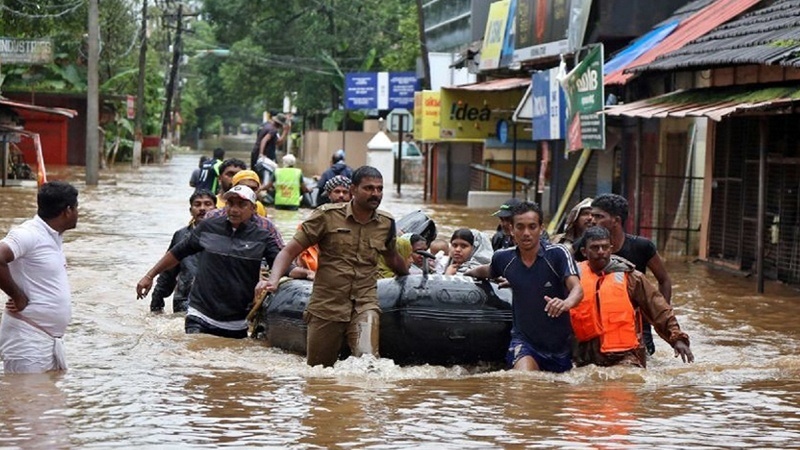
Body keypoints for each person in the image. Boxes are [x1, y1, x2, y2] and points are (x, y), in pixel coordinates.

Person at [262, 166, 409, 367]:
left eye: (379, 189)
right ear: (353, 190)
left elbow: (392, 258)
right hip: (326, 305)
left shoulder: (386, 223)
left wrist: (411, 277)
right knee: (319, 372)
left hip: (364, 303)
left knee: (368, 364)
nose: (375, 194)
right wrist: (273, 280)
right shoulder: (326, 216)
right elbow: (289, 251)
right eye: (369, 188)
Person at [136, 185, 311, 339]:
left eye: (241, 205)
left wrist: (305, 273)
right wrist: (149, 275)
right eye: (231, 204)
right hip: (200, 313)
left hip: (236, 321)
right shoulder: (208, 227)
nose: (234, 209)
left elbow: (282, 264)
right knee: (194, 362)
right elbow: (177, 253)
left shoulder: (262, 237)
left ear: (253, 209)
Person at [465, 201, 582, 373]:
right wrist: (464, 273)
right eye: (520, 227)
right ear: (511, 229)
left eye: (532, 227)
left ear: (541, 228)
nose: (526, 233)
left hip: (559, 346)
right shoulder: (503, 258)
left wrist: (566, 303)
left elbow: (577, 289)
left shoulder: (558, 254)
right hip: (525, 343)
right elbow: (487, 270)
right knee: (524, 384)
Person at [571, 226, 693, 368]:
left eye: (605, 247)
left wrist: (677, 338)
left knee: (626, 382)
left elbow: (658, 308)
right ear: (584, 252)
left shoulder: (631, 277)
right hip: (583, 355)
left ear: (611, 249)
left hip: (624, 355)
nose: (601, 252)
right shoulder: (572, 277)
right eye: (595, 248)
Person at [0, 181, 79, 373]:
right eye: (77, 208)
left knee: (48, 401)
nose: (78, 213)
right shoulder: (29, 233)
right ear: (67, 211)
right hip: (26, 339)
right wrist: (18, 296)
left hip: (48, 340)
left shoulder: (52, 236)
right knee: (25, 400)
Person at [583, 193, 672, 356]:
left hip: (637, 324)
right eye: (591, 215)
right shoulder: (585, 248)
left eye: (598, 216)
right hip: (599, 324)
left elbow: (664, 280)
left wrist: (658, 317)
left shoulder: (642, 247)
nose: (592, 220)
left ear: (616, 220)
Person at [149, 190, 217, 314]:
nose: (202, 208)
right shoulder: (181, 236)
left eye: (207, 204)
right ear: (191, 210)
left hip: (214, 301)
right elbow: (168, 271)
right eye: (197, 204)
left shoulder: (224, 235)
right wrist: (156, 302)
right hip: (184, 301)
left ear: (216, 209)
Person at [296, 175, 352, 273]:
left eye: (345, 192)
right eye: (337, 191)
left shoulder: (357, 216)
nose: (341, 195)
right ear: (329, 194)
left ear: (351, 195)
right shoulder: (320, 214)